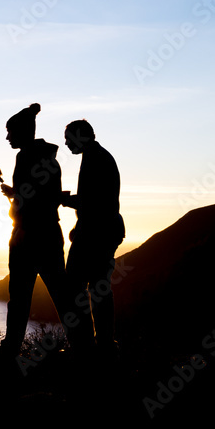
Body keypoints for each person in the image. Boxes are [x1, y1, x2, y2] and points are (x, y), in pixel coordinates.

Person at [0, 103, 78, 356]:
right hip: (47, 234)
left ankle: (11, 349)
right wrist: (17, 194)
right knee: (61, 294)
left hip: (28, 236)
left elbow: (34, 198)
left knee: (20, 297)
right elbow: (45, 196)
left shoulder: (25, 158)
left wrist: (16, 196)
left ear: (23, 131)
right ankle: (82, 345)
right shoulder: (49, 159)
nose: (8, 137)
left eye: (11, 132)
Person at [62, 119, 125, 356]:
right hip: (102, 231)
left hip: (97, 234)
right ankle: (103, 344)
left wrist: (63, 200)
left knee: (77, 287)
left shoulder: (96, 159)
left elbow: (91, 201)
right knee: (98, 288)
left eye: (69, 138)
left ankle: (88, 346)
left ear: (80, 136)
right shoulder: (96, 156)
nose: (66, 144)